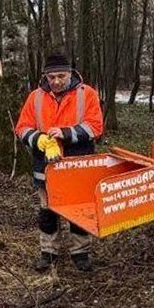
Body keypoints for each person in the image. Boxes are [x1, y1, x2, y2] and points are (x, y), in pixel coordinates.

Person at [15, 53, 104, 273]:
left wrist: (65, 133)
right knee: (47, 210)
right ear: (45, 76)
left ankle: (80, 253)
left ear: (71, 73)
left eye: (61, 76)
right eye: (52, 77)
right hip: (44, 166)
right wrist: (40, 139)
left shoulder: (87, 94)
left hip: (78, 165)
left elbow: (95, 127)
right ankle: (48, 253)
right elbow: (22, 128)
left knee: (80, 210)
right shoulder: (35, 97)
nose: (56, 82)